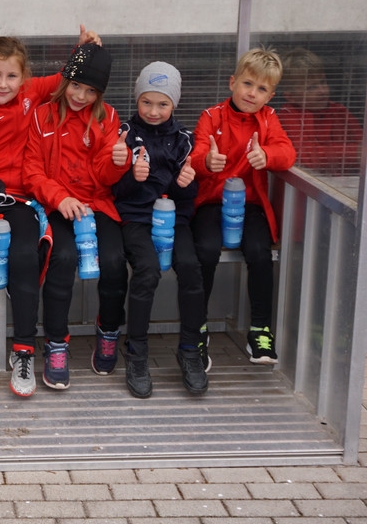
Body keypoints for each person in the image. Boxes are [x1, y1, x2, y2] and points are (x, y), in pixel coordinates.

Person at [0, 29, 100, 398]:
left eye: (12, 76)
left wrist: (85, 49)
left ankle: (23, 350)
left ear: (24, 78)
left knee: (26, 254)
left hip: (20, 198)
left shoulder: (30, 94)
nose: (3, 84)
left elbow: (65, 77)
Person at [24, 43, 130, 391]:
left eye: (91, 90)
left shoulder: (107, 117)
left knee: (114, 260)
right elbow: (32, 172)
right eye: (76, 85)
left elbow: (103, 177)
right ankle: (56, 344)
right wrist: (60, 197)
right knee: (63, 257)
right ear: (65, 80)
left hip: (96, 204)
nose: (81, 96)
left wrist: (118, 162)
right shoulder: (41, 116)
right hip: (55, 206)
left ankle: (108, 331)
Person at [190, 48, 296, 365]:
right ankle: (196, 328)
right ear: (232, 82)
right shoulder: (211, 116)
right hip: (211, 202)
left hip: (250, 205)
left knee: (260, 252)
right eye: (247, 84)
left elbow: (287, 152)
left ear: (270, 95)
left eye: (261, 89)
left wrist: (268, 155)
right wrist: (207, 162)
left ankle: (260, 330)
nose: (252, 93)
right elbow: (195, 156)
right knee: (205, 251)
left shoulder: (269, 118)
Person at [112, 62, 207, 398]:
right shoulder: (124, 133)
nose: (153, 111)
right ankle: (136, 353)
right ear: (137, 99)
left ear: (174, 104)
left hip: (174, 219)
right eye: (146, 102)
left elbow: (188, 197)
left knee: (191, 268)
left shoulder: (184, 140)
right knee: (147, 270)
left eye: (162, 104)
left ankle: (190, 349)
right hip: (136, 218)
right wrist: (130, 177)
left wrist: (186, 183)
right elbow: (113, 189)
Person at [276, 47, 363, 176]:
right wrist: (355, 152)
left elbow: (362, 142)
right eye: (312, 88)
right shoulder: (287, 118)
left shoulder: (339, 112)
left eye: (323, 82)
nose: (322, 91)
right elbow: (306, 156)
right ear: (291, 96)